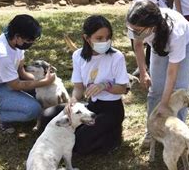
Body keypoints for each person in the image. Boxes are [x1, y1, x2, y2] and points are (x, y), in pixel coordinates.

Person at [42, 15, 129, 155]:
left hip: (111, 109)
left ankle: (113, 135)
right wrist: (73, 100)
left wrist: (104, 86)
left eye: (108, 37)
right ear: (87, 38)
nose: (105, 42)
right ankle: (104, 133)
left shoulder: (116, 57)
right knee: (47, 116)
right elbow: (78, 88)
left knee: (80, 142)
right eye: (99, 38)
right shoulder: (78, 56)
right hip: (91, 107)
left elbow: (122, 88)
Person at [127, 0, 189, 146]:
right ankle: (153, 130)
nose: (133, 33)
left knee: (179, 92)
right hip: (158, 45)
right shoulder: (136, 25)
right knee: (155, 89)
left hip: (186, 43)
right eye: (132, 29)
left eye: (137, 31)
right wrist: (143, 72)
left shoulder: (176, 34)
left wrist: (164, 104)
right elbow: (138, 45)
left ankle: (178, 134)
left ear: (151, 27)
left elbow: (172, 72)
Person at [0, 14, 51, 134]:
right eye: (29, 40)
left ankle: (17, 104)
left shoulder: (16, 44)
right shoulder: (1, 54)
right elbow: (15, 85)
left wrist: (41, 80)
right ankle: (0, 116)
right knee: (34, 109)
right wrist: (44, 82)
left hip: (8, 79)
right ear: (17, 37)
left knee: (43, 91)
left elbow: (21, 71)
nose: (31, 43)